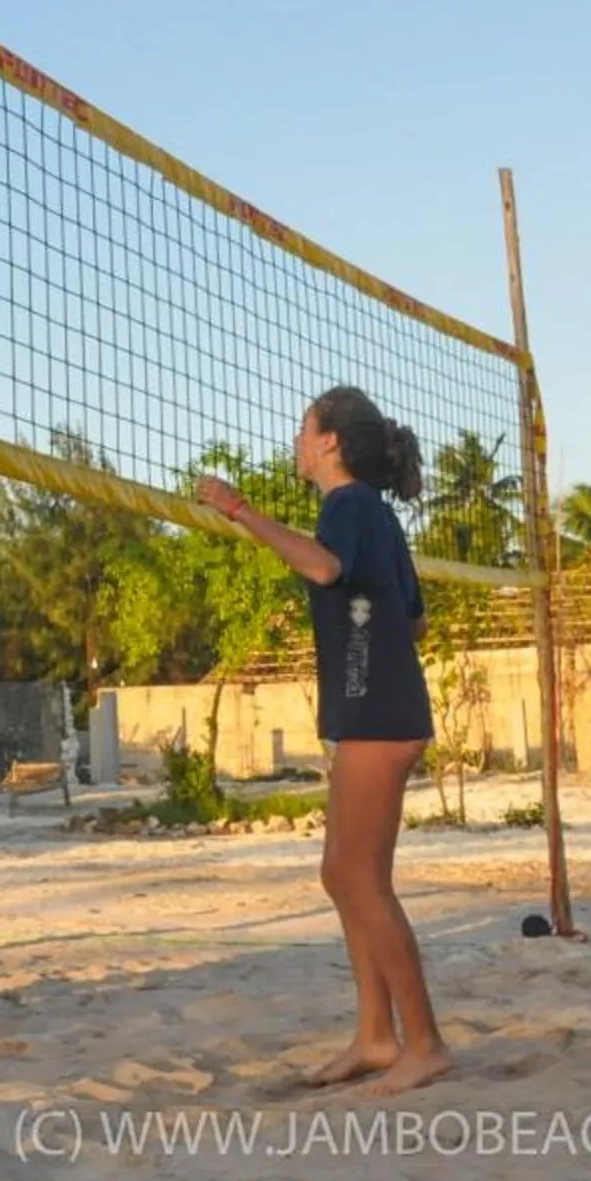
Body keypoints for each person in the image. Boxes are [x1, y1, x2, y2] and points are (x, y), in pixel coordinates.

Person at [197, 385, 448, 1098]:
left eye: (306, 429)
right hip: (377, 710)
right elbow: (414, 618)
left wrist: (237, 508)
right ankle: (375, 1036)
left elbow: (322, 567)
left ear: (330, 441)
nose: (298, 439)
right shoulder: (372, 515)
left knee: (358, 879)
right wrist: (366, 646)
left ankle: (424, 1043)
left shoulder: (351, 507)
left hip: (380, 717)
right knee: (345, 876)